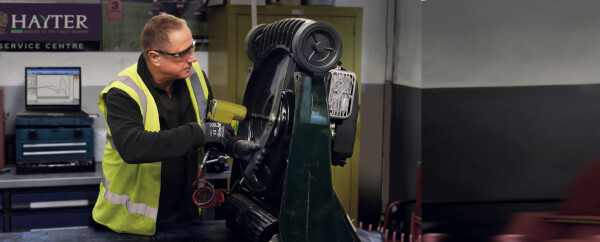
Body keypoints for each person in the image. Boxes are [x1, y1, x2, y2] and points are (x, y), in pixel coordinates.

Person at [91, 14, 233, 235]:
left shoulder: (196, 78)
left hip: (188, 216)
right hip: (129, 225)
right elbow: (133, 146)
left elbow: (210, 127)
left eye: (192, 48)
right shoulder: (123, 92)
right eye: (182, 53)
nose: (192, 59)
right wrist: (200, 133)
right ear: (155, 57)